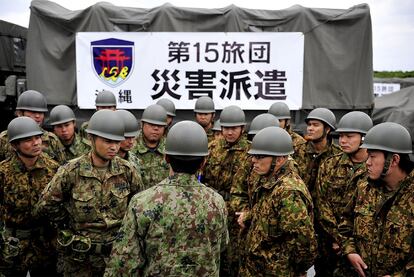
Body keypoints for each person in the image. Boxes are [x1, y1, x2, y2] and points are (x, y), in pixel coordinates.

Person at [104, 121, 229, 277]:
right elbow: (222, 245)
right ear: (203, 162)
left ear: (166, 158)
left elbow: (124, 261)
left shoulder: (142, 202)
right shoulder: (216, 202)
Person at [35, 110, 143, 277]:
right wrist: (68, 223)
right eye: (107, 141)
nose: (114, 147)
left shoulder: (127, 170)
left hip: (116, 256)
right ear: (92, 139)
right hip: (80, 259)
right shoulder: (71, 171)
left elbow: (138, 205)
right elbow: (46, 204)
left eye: (116, 141)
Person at [337, 122, 414, 277]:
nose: (367, 163)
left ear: (394, 160)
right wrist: (350, 251)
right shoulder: (364, 187)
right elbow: (345, 222)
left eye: (372, 157)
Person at [239, 127, 317, 276]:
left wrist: (295, 269)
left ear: (280, 159)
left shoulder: (288, 192)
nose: (253, 160)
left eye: (260, 156)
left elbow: (303, 243)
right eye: (254, 155)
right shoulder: (269, 181)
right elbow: (268, 215)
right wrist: (248, 217)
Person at [314, 111, 373, 276]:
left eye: (349, 136)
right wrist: (339, 239)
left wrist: (350, 245)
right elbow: (321, 205)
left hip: (362, 250)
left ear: (364, 137)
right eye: (341, 136)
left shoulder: (375, 168)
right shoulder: (329, 165)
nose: (343, 141)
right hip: (329, 246)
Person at [0, 117, 60, 276]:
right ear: (14, 145)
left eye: (38, 137)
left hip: (46, 245)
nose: (36, 143)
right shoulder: (3, 172)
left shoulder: (54, 170)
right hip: (14, 246)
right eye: (28, 140)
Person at [202, 105, 250, 277]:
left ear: (242, 129)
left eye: (234, 128)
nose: (230, 133)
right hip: (213, 209)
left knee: (235, 259)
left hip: (237, 214)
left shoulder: (251, 152)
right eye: (226, 128)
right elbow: (202, 177)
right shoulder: (211, 149)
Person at [0, 90, 66, 164]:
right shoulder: (5, 138)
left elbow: (62, 168)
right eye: (33, 112)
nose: (37, 116)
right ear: (19, 113)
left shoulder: (51, 139)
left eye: (41, 112)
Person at [292, 107, 341, 197]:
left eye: (315, 125)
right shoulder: (297, 151)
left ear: (327, 129)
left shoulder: (338, 155)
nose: (310, 128)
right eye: (309, 124)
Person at [131, 104, 170, 189]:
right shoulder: (130, 146)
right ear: (142, 124)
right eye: (151, 124)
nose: (156, 128)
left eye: (160, 126)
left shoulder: (170, 148)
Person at [114, 110, 142, 175]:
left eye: (133, 137)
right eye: (126, 137)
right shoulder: (105, 161)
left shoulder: (135, 159)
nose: (131, 142)